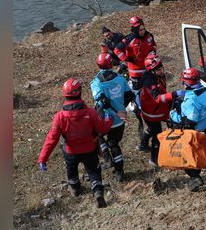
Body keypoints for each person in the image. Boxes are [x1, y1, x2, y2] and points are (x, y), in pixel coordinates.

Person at [38, 79, 113, 208]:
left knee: (71, 170)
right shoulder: (91, 113)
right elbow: (102, 129)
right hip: (89, 150)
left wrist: (43, 158)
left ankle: (75, 188)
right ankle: (97, 191)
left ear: (65, 95)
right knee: (94, 171)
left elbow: (52, 139)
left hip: (70, 151)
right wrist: (109, 120)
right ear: (80, 93)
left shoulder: (59, 117)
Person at [114, 16, 158, 151]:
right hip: (135, 73)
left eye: (143, 28)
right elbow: (117, 50)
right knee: (138, 94)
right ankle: (137, 107)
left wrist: (152, 55)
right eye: (140, 29)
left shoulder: (149, 36)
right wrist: (127, 59)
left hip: (148, 70)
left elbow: (154, 47)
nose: (143, 31)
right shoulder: (128, 39)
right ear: (134, 29)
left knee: (150, 92)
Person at [90, 53, 135, 182]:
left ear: (98, 65)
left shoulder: (96, 83)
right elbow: (129, 96)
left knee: (98, 135)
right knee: (114, 144)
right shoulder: (120, 79)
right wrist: (121, 107)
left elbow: (100, 99)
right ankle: (119, 172)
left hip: (103, 119)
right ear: (111, 64)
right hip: (119, 120)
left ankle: (106, 158)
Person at [169, 68, 206, 191]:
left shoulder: (191, 99)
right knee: (199, 152)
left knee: (188, 156)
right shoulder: (204, 90)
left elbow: (190, 121)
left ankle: (195, 178)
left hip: (194, 131)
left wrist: (173, 115)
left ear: (186, 82)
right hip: (205, 126)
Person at [139, 53, 182, 166]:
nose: (162, 71)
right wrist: (173, 95)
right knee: (157, 136)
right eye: (158, 69)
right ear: (152, 71)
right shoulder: (150, 82)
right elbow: (157, 98)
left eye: (161, 68)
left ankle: (143, 144)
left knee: (152, 129)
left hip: (158, 110)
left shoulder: (158, 76)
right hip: (152, 113)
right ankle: (154, 160)